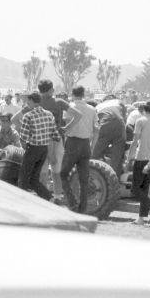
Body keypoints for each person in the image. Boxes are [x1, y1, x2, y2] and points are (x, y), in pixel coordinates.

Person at [60, 85, 97, 214]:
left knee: (62, 174)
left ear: (73, 94)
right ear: (83, 94)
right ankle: (82, 209)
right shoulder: (92, 109)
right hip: (86, 143)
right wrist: (92, 145)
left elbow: (66, 125)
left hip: (72, 143)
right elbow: (96, 129)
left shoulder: (71, 107)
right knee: (84, 180)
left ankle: (72, 203)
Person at [18, 91, 60, 201]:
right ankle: (50, 199)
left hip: (33, 149)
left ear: (31, 101)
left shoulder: (28, 116)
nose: (27, 103)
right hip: (43, 150)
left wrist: (24, 146)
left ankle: (21, 202)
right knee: (34, 180)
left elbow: (23, 137)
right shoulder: (49, 114)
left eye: (28, 101)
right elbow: (55, 134)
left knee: (23, 179)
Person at [128, 100, 150, 225]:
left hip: (141, 158)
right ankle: (142, 218)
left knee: (136, 189)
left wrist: (130, 156)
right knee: (144, 189)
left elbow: (135, 140)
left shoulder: (140, 121)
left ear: (144, 109)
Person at [37, 80, 69, 204]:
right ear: (51, 89)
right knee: (57, 171)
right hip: (57, 138)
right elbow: (78, 115)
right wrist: (66, 128)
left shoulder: (36, 102)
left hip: (40, 139)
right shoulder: (59, 102)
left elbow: (15, 118)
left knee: (43, 172)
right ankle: (57, 197)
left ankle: (43, 197)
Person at [92, 98, 127, 178]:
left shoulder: (98, 106)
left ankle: (91, 176)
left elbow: (95, 129)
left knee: (95, 154)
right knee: (117, 158)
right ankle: (115, 180)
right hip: (120, 124)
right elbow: (125, 118)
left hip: (105, 123)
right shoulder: (118, 102)